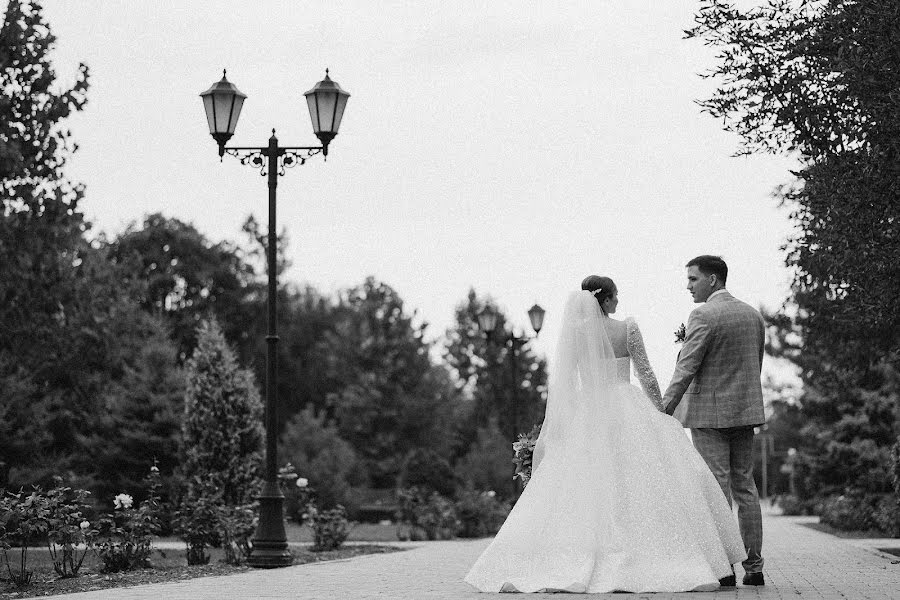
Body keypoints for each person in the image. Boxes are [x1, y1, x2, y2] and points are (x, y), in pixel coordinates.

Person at [464, 276, 746, 594]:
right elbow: (646, 373)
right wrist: (661, 411)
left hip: (589, 413)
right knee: (639, 484)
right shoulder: (626, 328)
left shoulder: (576, 334)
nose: (618, 302)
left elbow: (565, 386)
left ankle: (584, 553)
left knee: (586, 487)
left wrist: (559, 424)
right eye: (616, 297)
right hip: (628, 408)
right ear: (609, 300)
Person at [663, 255, 766, 587]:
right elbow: (755, 364)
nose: (688, 286)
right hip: (745, 413)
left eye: (693, 279)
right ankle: (754, 567)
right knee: (746, 488)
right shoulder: (754, 316)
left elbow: (687, 367)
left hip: (709, 416)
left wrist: (664, 407)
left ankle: (725, 568)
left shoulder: (703, 315)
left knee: (717, 489)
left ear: (712, 280)